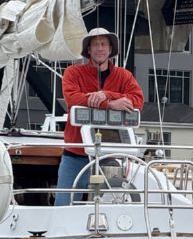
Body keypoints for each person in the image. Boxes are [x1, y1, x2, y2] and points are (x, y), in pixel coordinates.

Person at [55, 27, 144, 206]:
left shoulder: (124, 76)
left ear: (110, 49)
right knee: (63, 203)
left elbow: (138, 100)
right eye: (95, 44)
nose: (100, 48)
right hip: (75, 153)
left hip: (110, 154)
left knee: (111, 205)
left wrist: (107, 94)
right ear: (89, 50)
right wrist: (110, 104)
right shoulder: (73, 72)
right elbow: (72, 98)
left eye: (104, 44)